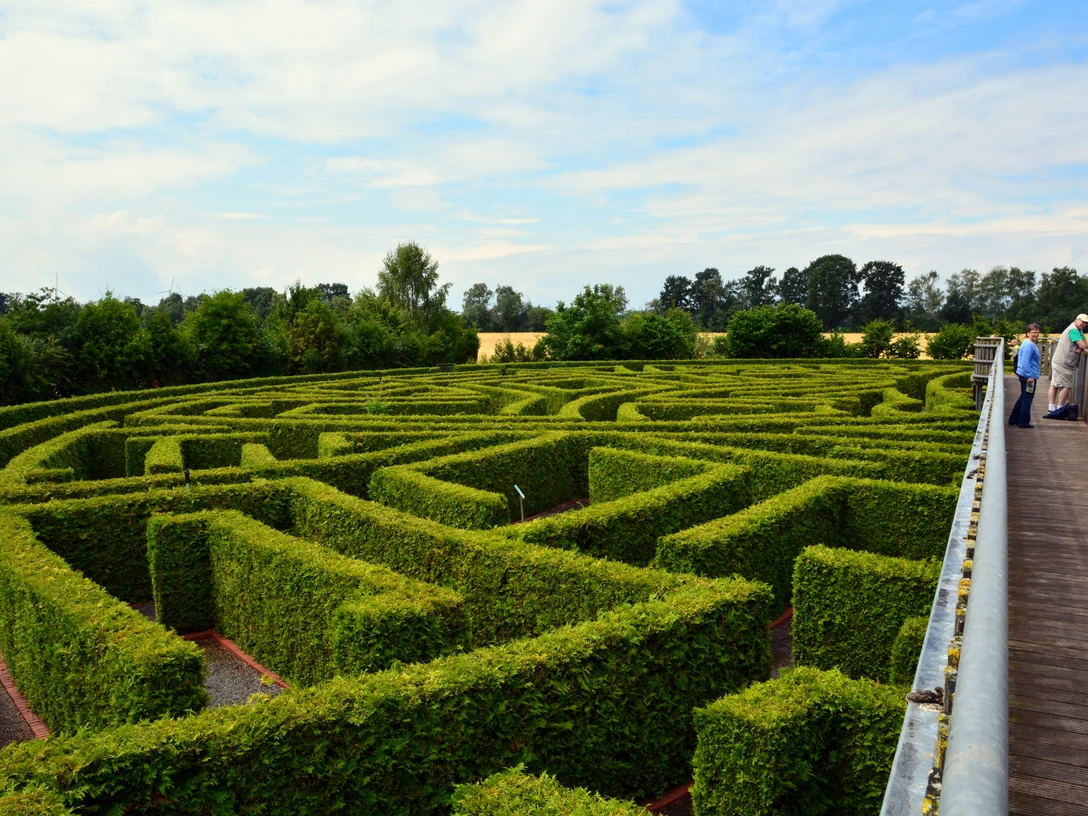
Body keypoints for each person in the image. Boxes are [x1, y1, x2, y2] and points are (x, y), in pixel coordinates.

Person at [1045, 313, 1088, 416]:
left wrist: (1082, 347)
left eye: (1086, 323)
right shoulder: (1073, 330)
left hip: (1060, 361)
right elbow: (1083, 344)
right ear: (1077, 320)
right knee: (1066, 385)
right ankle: (1060, 409)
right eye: (1083, 321)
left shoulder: (1078, 330)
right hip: (1064, 363)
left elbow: (1085, 344)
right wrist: (1082, 346)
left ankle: (1052, 408)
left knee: (1055, 384)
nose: (1084, 324)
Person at [1009, 324, 1041, 427]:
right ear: (1028, 333)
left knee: (1024, 396)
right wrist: (1030, 376)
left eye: (1037, 332)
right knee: (1027, 398)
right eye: (1033, 332)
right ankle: (1023, 422)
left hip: (1024, 374)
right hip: (1028, 376)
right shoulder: (1029, 345)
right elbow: (1025, 361)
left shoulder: (1027, 343)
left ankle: (1014, 419)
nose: (1036, 334)